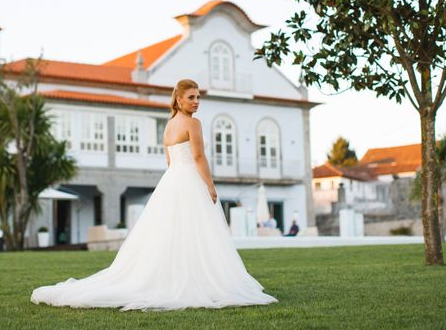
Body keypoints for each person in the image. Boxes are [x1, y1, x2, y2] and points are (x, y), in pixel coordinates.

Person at [31, 79, 277, 311]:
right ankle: (196, 280)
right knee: (196, 231)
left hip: (172, 180)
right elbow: (199, 157)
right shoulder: (193, 124)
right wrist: (210, 185)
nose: (196, 102)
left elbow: (169, 160)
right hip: (189, 178)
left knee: (172, 232)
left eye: (198, 97)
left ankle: (180, 277)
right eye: (191, 97)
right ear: (179, 100)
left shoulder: (169, 125)